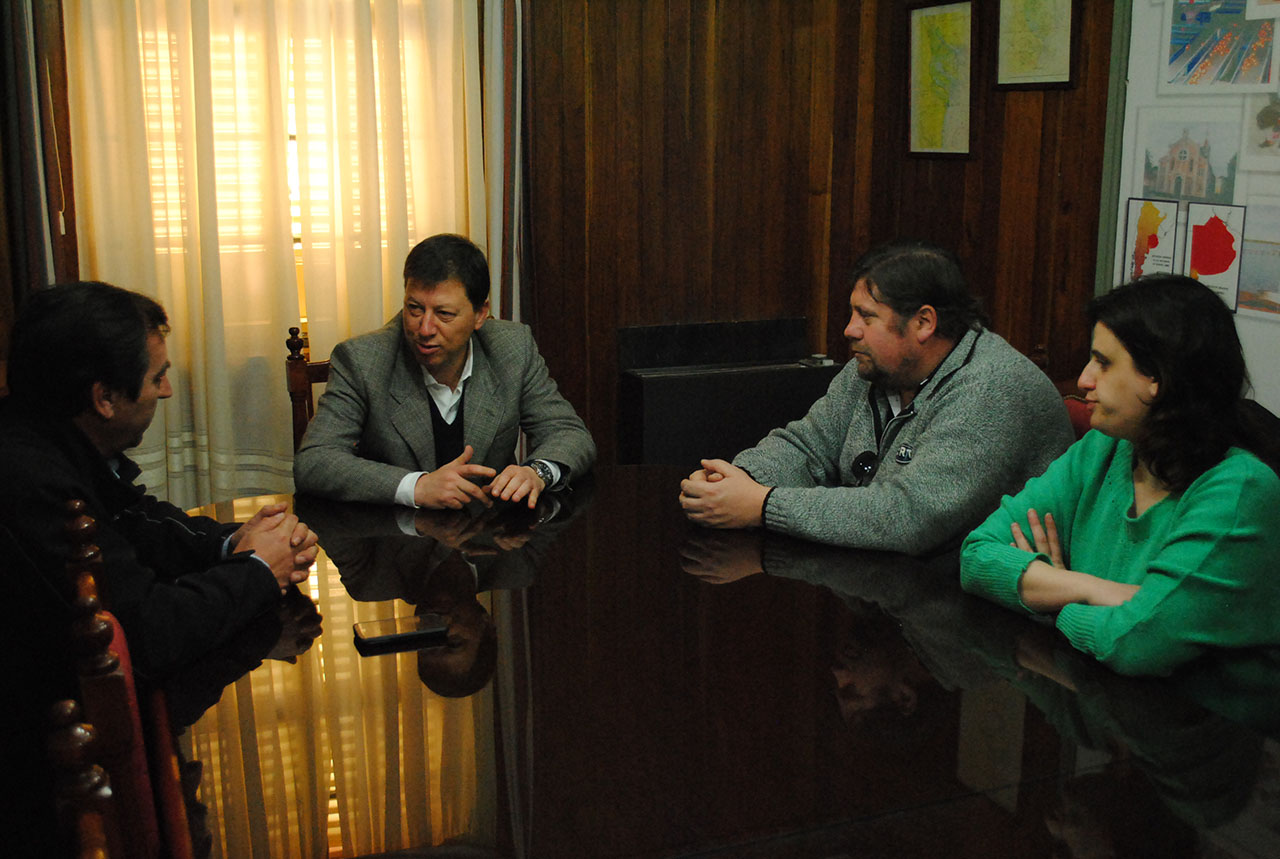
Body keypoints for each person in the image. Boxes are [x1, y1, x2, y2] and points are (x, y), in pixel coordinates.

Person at [960, 274, 1280, 676]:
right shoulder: (1106, 447)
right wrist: (1094, 588)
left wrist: (1053, 598)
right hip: (1091, 693)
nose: (1084, 380)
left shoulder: (1239, 490)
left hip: (1191, 714)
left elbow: (1135, 643)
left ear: (1157, 377)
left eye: (1104, 362)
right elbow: (977, 556)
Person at [0, 282, 319, 675]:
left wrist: (233, 542)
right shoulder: (34, 484)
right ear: (105, 398)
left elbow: (137, 524)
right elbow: (152, 630)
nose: (166, 391)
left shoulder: (53, 438)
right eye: (157, 378)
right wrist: (259, 571)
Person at [679, 239, 1074, 553]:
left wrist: (763, 506)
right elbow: (808, 446)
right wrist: (735, 482)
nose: (850, 330)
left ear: (923, 322)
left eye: (866, 316)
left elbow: (911, 517)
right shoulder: (875, 368)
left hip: (988, 605)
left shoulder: (990, 388)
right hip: (891, 588)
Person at [294, 233, 596, 510]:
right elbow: (315, 461)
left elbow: (568, 433)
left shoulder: (512, 349)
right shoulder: (363, 360)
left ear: (480, 314)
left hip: (489, 537)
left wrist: (537, 472)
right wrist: (416, 487)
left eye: (444, 314)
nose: (425, 329)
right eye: (414, 308)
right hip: (396, 539)